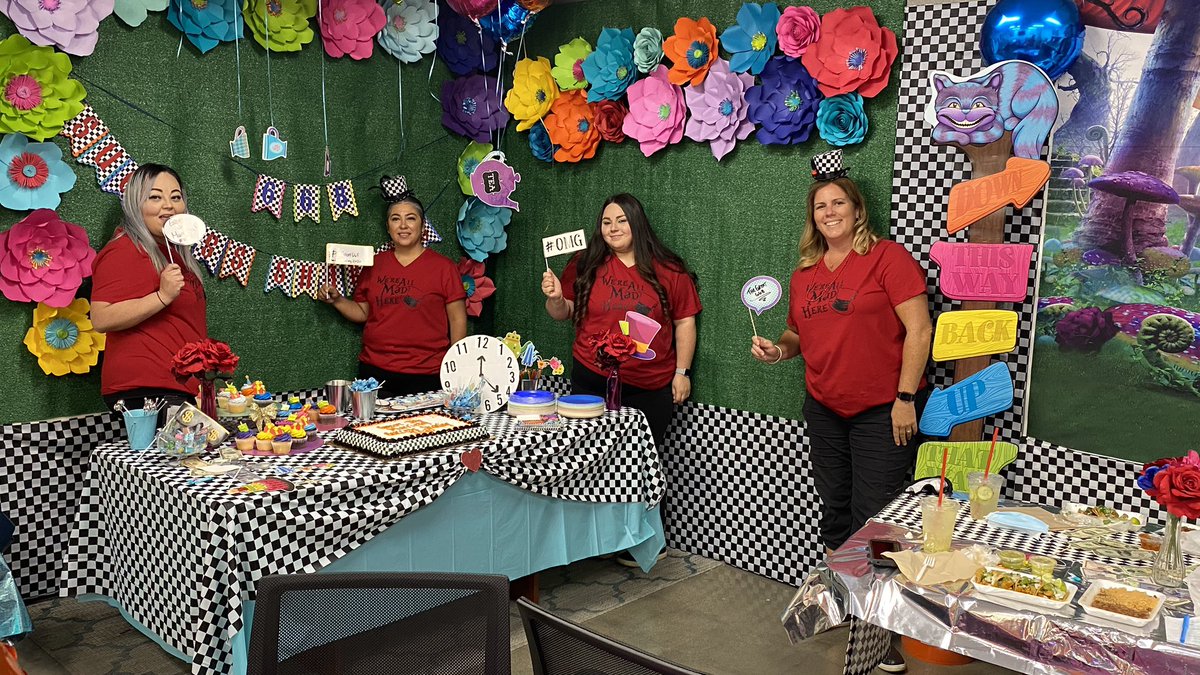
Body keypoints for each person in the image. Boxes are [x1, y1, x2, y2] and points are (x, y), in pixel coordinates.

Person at [750, 151, 931, 673]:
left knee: (876, 524)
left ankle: (881, 634)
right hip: (824, 409)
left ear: (857, 210)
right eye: (820, 206)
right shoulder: (805, 272)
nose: (829, 212)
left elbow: (919, 330)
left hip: (882, 411)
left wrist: (904, 398)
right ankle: (849, 607)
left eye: (838, 203)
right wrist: (778, 350)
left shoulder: (888, 258)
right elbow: (797, 336)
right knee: (835, 513)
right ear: (813, 216)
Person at [541, 193, 701, 449]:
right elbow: (562, 312)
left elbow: (685, 322)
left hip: (648, 388)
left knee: (635, 466)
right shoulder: (585, 263)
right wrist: (557, 298)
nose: (613, 228)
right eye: (606, 222)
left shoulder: (670, 270)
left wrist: (682, 373)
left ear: (637, 223)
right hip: (590, 383)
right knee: (587, 460)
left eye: (621, 220)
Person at [318, 176, 467, 398]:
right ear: (388, 227)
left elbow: (457, 319)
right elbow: (363, 312)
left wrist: (456, 366)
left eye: (411, 218)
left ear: (422, 225)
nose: (403, 225)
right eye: (396, 219)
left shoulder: (444, 268)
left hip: (428, 373)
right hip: (374, 373)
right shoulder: (374, 264)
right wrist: (337, 300)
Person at [91, 164, 207, 418]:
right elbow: (100, 318)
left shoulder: (172, 253)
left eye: (175, 197)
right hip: (147, 389)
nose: (168, 205)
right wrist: (162, 296)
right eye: (155, 197)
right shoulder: (123, 249)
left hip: (179, 386)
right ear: (135, 204)